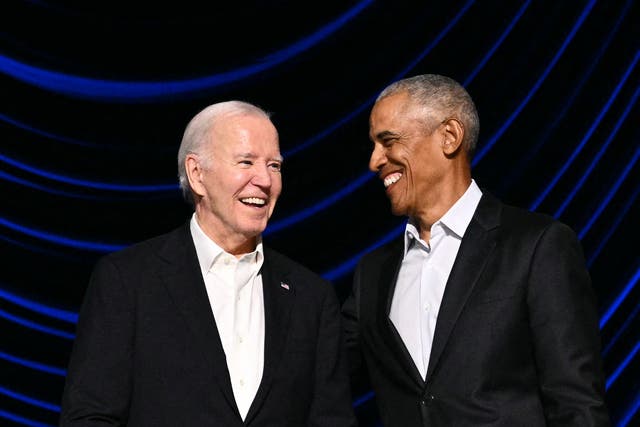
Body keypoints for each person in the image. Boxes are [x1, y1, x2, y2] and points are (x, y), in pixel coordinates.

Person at [60, 100, 357, 427]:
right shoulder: (127, 281)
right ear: (197, 173)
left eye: (274, 165)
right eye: (246, 162)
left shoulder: (312, 298)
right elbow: (89, 417)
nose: (265, 180)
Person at [341, 74, 610, 426]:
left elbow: (577, 404)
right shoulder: (372, 275)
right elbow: (315, 373)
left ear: (449, 136)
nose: (375, 161)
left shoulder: (536, 246)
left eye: (388, 141)